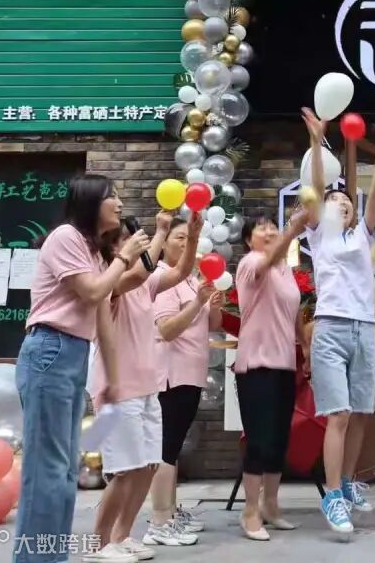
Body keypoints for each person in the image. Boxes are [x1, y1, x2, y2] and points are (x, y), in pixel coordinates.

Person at [14, 174, 148, 563]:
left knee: (63, 471)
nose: (120, 203)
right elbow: (92, 292)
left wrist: (113, 380)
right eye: (112, 196)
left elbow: (103, 317)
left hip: (72, 353)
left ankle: (51, 556)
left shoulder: (94, 253)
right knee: (48, 469)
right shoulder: (66, 238)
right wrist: (124, 257)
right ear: (91, 201)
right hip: (50, 350)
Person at [302, 108, 375, 535]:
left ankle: (346, 480)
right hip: (330, 328)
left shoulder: (362, 234)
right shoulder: (318, 234)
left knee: (361, 412)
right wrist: (316, 141)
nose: (342, 203)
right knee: (339, 413)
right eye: (335, 201)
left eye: (347, 202)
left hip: (363, 328)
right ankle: (332, 495)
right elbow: (316, 189)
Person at [86, 212, 201, 562]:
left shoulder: (145, 285)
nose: (134, 243)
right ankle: (98, 544)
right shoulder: (109, 284)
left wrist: (193, 235)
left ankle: (121, 536)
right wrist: (160, 232)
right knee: (124, 470)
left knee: (148, 465)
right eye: (126, 239)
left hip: (148, 387)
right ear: (113, 248)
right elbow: (137, 273)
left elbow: (180, 271)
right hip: (117, 388)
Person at [233, 211, 310, 540]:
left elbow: (293, 312)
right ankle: (250, 511)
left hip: (284, 364)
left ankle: (271, 506)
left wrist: (304, 346)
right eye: (260, 229)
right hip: (256, 365)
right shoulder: (251, 263)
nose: (268, 232)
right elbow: (267, 261)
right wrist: (293, 229)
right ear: (248, 239)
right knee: (259, 441)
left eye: (272, 227)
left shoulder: (285, 270)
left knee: (279, 440)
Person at [147, 220, 224, 546]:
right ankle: (158, 521)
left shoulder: (191, 280)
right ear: (164, 243)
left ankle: (171, 512)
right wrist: (197, 303)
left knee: (174, 446)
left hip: (191, 373)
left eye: (190, 237)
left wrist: (213, 305)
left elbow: (210, 324)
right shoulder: (164, 279)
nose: (185, 242)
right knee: (165, 448)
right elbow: (166, 329)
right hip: (171, 374)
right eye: (179, 237)